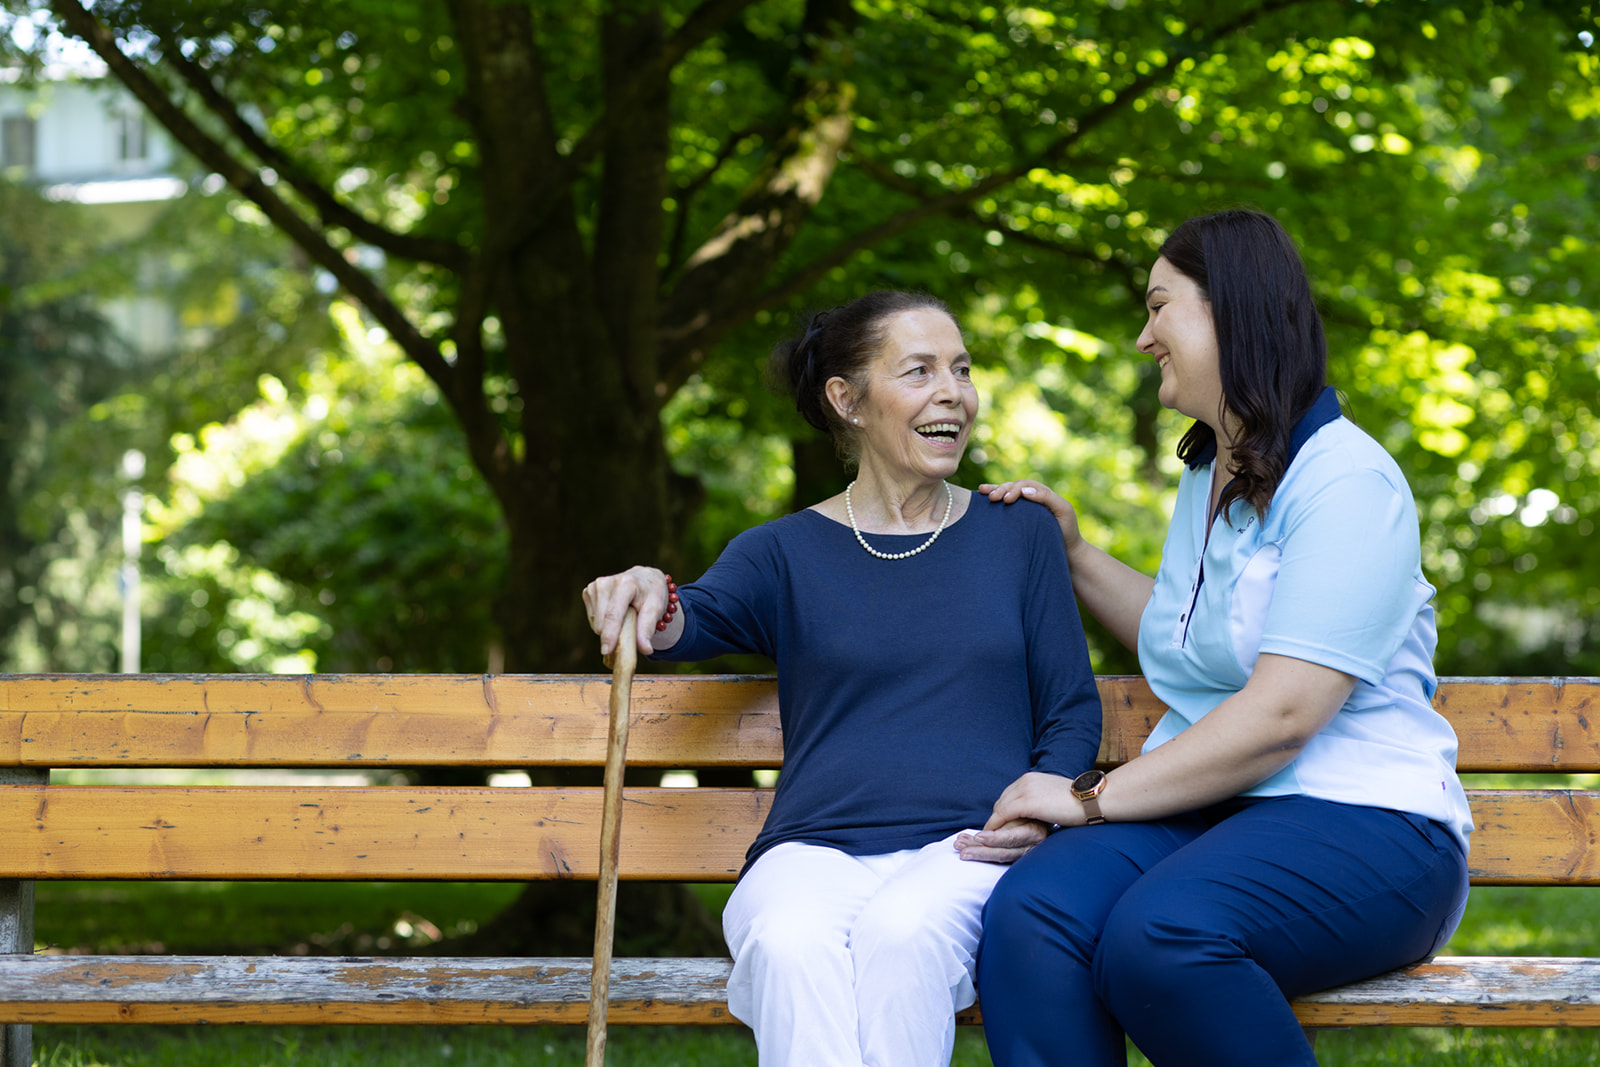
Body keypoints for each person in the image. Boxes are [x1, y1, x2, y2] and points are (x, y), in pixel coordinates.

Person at [958, 210, 1473, 1067]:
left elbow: (1283, 713)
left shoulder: (1348, 480)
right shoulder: (1209, 473)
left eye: (1160, 308)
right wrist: (1075, 554)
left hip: (1371, 825)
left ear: (1229, 311)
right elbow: (1185, 635)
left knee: (1160, 936)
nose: (1142, 336)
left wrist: (1086, 799)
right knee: (1031, 916)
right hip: (1211, 811)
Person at [582, 290, 1102, 1067]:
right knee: (790, 942)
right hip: (810, 852)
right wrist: (640, 586)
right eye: (920, 371)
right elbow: (684, 619)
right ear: (847, 400)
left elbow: (1069, 708)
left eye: (962, 369)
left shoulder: (1018, 533)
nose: (952, 393)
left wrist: (1042, 806)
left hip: (966, 849)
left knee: (901, 933)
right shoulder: (781, 551)